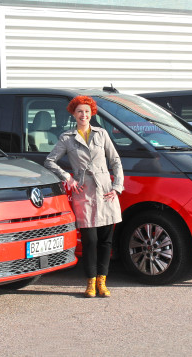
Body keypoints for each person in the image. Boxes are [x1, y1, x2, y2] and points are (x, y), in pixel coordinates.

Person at [44, 95, 124, 298]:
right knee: (90, 241)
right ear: (73, 113)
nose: (83, 115)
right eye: (79, 111)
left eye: (87, 112)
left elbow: (115, 161)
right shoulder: (67, 138)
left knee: (106, 241)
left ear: (91, 114)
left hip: (106, 192)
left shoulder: (102, 134)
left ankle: (102, 282)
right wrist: (68, 178)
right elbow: (50, 161)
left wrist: (117, 186)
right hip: (84, 192)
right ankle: (90, 282)